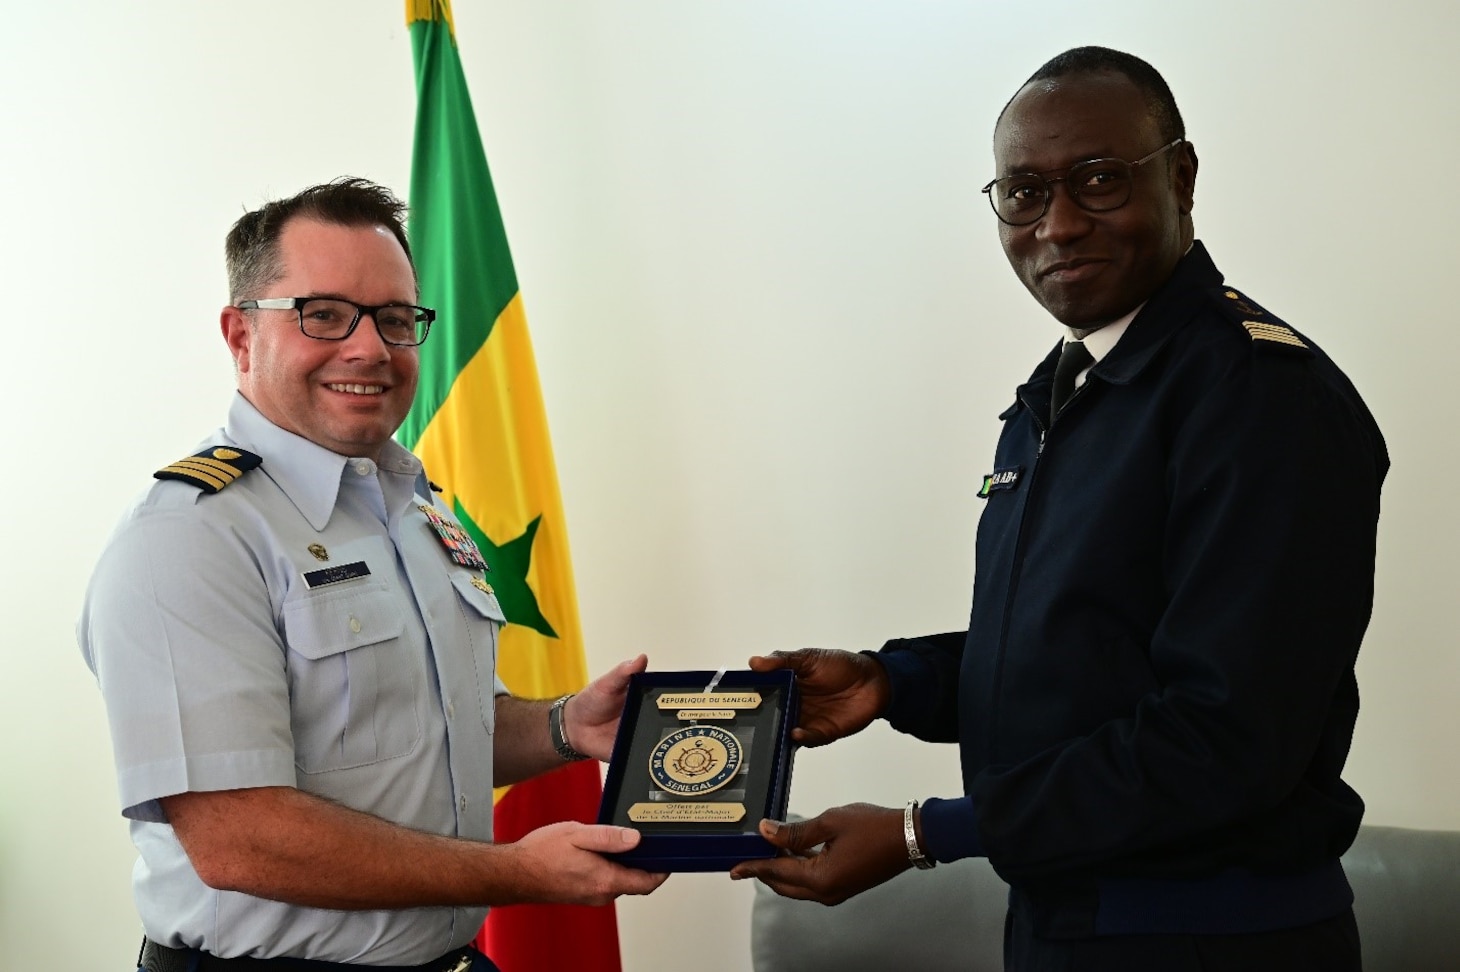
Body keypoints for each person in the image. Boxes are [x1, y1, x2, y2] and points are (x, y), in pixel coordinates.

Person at [731, 47, 1387, 971]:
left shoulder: (1260, 397)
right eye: (1024, 192)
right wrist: (893, 683)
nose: (1061, 224)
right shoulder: (1067, 390)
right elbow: (1082, 656)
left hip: (1211, 938)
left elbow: (1222, 736)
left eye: (1098, 180)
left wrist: (926, 831)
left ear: (1183, 177)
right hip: (1065, 923)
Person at [79, 178, 667, 972]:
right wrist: (517, 872)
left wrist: (567, 726)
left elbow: (429, 735)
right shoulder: (192, 537)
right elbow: (241, 838)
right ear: (240, 335)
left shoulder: (408, 502)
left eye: (395, 319)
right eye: (323, 313)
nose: (369, 348)